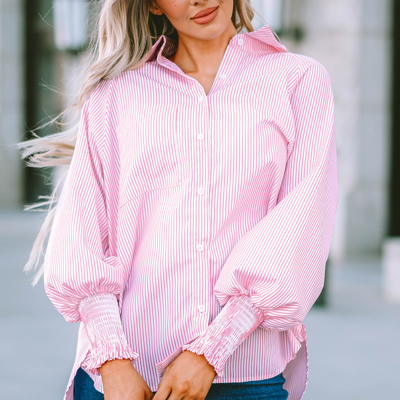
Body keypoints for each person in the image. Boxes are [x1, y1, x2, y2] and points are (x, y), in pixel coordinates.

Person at [18, 1, 338, 400]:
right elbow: (82, 240)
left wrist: (210, 352)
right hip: (120, 380)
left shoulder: (298, 82)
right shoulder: (114, 96)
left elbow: (299, 225)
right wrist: (113, 362)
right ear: (152, 3)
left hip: (242, 379)